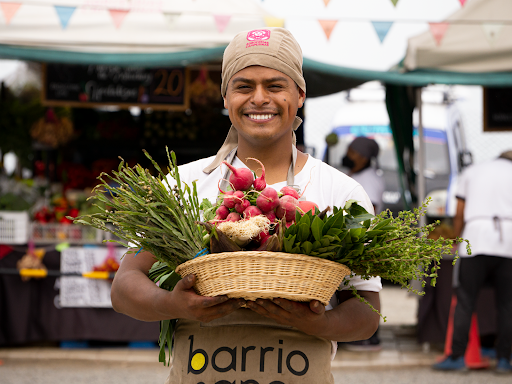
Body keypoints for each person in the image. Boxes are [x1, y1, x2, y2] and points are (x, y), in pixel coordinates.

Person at [111, 27, 381, 383]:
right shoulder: (184, 183)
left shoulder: (341, 191)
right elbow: (124, 285)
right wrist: (171, 304)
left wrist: (319, 322)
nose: (259, 99)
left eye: (274, 85)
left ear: (299, 95)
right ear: (225, 97)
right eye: (243, 86)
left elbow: (366, 313)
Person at [433, 150, 512, 374]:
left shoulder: (472, 171)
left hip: (475, 240)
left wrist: (457, 239)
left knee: (466, 301)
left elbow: (459, 212)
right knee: (507, 305)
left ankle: (457, 357)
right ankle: (505, 359)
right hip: (508, 242)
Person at [340, 136, 385, 352]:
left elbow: (370, 211)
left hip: (361, 241)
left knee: (364, 288)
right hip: (353, 241)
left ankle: (369, 337)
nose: (348, 155)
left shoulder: (369, 180)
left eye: (352, 152)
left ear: (364, 157)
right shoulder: (357, 175)